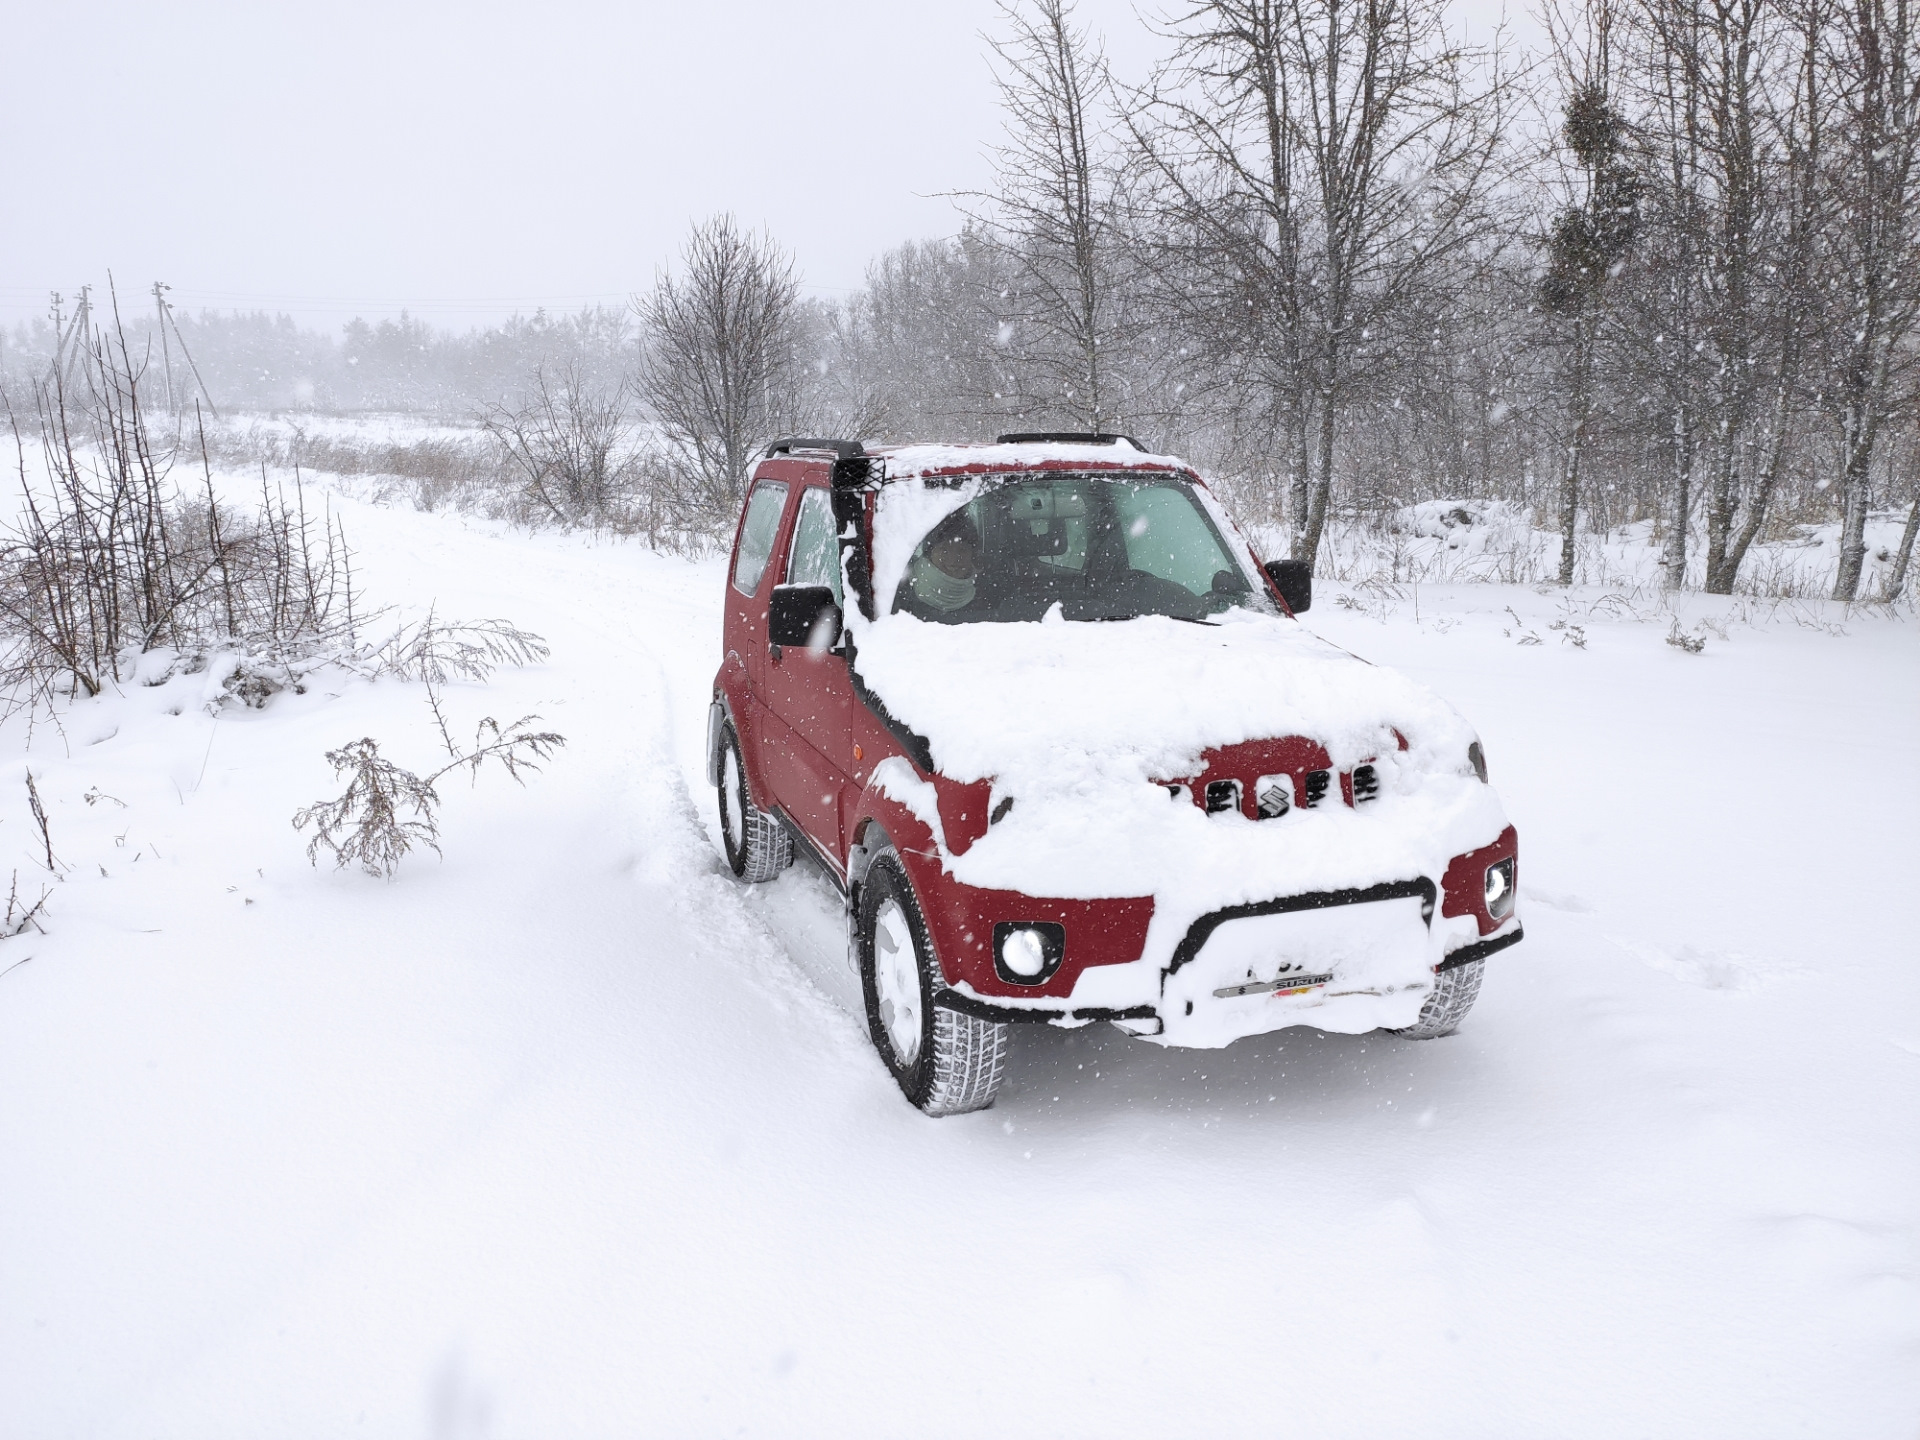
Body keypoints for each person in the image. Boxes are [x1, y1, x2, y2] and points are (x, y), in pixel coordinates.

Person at [903, 509, 981, 616]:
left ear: (972, 554)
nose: (953, 560)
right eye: (944, 549)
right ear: (929, 552)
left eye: (962, 550)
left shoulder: (991, 595)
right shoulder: (902, 593)